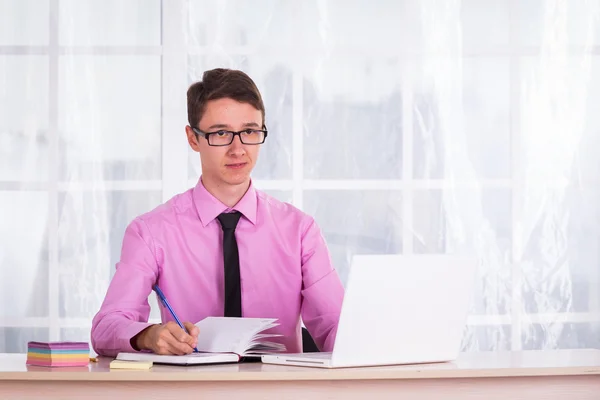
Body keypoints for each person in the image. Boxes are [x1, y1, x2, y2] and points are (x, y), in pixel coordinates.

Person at [91, 68, 344, 357]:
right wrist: (148, 335)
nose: (238, 149)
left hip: (277, 391)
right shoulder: (151, 232)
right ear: (193, 138)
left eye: (249, 131)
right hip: (190, 392)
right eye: (221, 133)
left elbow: (337, 326)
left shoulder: (300, 231)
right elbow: (106, 327)